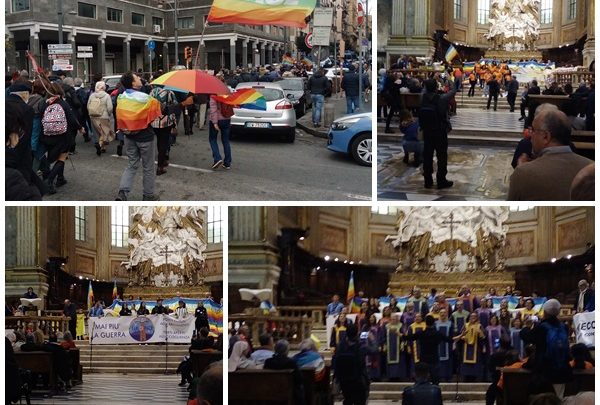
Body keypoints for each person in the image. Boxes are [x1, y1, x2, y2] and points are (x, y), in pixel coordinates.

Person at [115, 71, 193, 201]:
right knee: (148, 167)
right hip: (145, 137)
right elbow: (165, 110)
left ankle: (122, 193)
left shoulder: (122, 97)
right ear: (133, 83)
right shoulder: (145, 98)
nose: (140, 78)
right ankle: (148, 195)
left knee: (131, 164)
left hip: (129, 136)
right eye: (137, 78)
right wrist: (183, 104)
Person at [508, 108, 593, 200]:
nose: (530, 135)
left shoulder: (523, 173)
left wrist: (522, 171)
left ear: (546, 137)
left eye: (533, 130)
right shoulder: (592, 168)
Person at [520, 299, 572, 398]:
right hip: (562, 371)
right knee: (558, 399)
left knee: (543, 399)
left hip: (545, 370)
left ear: (545, 312)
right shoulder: (564, 327)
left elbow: (527, 337)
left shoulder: (542, 327)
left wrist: (526, 327)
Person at [40, 82, 85, 194]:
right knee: (62, 157)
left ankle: (60, 178)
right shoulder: (62, 103)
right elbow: (71, 119)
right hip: (63, 135)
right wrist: (80, 128)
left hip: (48, 135)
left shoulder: (45, 104)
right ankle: (49, 181)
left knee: (54, 156)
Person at [418, 79, 456, 189]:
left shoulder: (422, 98)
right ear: (436, 87)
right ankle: (441, 180)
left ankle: (427, 180)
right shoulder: (441, 99)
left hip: (427, 131)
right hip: (440, 131)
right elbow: (453, 91)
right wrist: (450, 81)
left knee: (427, 156)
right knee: (442, 156)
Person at [404, 315, 453, 385]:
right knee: (435, 379)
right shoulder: (437, 334)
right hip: (434, 359)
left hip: (423, 358)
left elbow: (408, 337)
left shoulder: (421, 333)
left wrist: (399, 334)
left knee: (423, 377)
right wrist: (461, 335)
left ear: (425, 323)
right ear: (434, 323)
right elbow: (450, 340)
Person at [333, 324, 369, 405]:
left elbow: (336, 362)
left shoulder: (340, 346)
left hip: (344, 380)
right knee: (360, 399)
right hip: (357, 379)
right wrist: (371, 339)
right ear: (357, 333)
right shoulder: (360, 346)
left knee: (348, 399)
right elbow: (373, 350)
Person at [149, 75, 177, 175]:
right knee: (164, 143)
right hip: (166, 121)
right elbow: (174, 105)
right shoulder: (169, 92)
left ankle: (162, 160)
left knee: (159, 141)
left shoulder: (152, 92)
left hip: (155, 121)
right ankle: (160, 166)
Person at [263, 339, 306, 405]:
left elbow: (265, 377)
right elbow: (299, 379)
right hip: (289, 392)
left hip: (271, 391)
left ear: (275, 349)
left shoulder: (268, 362)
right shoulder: (291, 362)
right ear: (287, 350)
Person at [87, 80, 115, 156]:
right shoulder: (107, 96)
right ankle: (101, 146)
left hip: (93, 116)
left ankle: (100, 146)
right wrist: (109, 114)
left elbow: (88, 106)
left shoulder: (92, 95)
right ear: (104, 87)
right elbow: (110, 108)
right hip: (104, 117)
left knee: (98, 132)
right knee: (104, 132)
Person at [208, 93, 232, 170]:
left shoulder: (213, 95)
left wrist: (215, 123)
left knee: (212, 139)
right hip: (226, 119)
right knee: (226, 141)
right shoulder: (227, 93)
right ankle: (227, 163)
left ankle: (217, 158)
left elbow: (213, 110)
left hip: (217, 120)